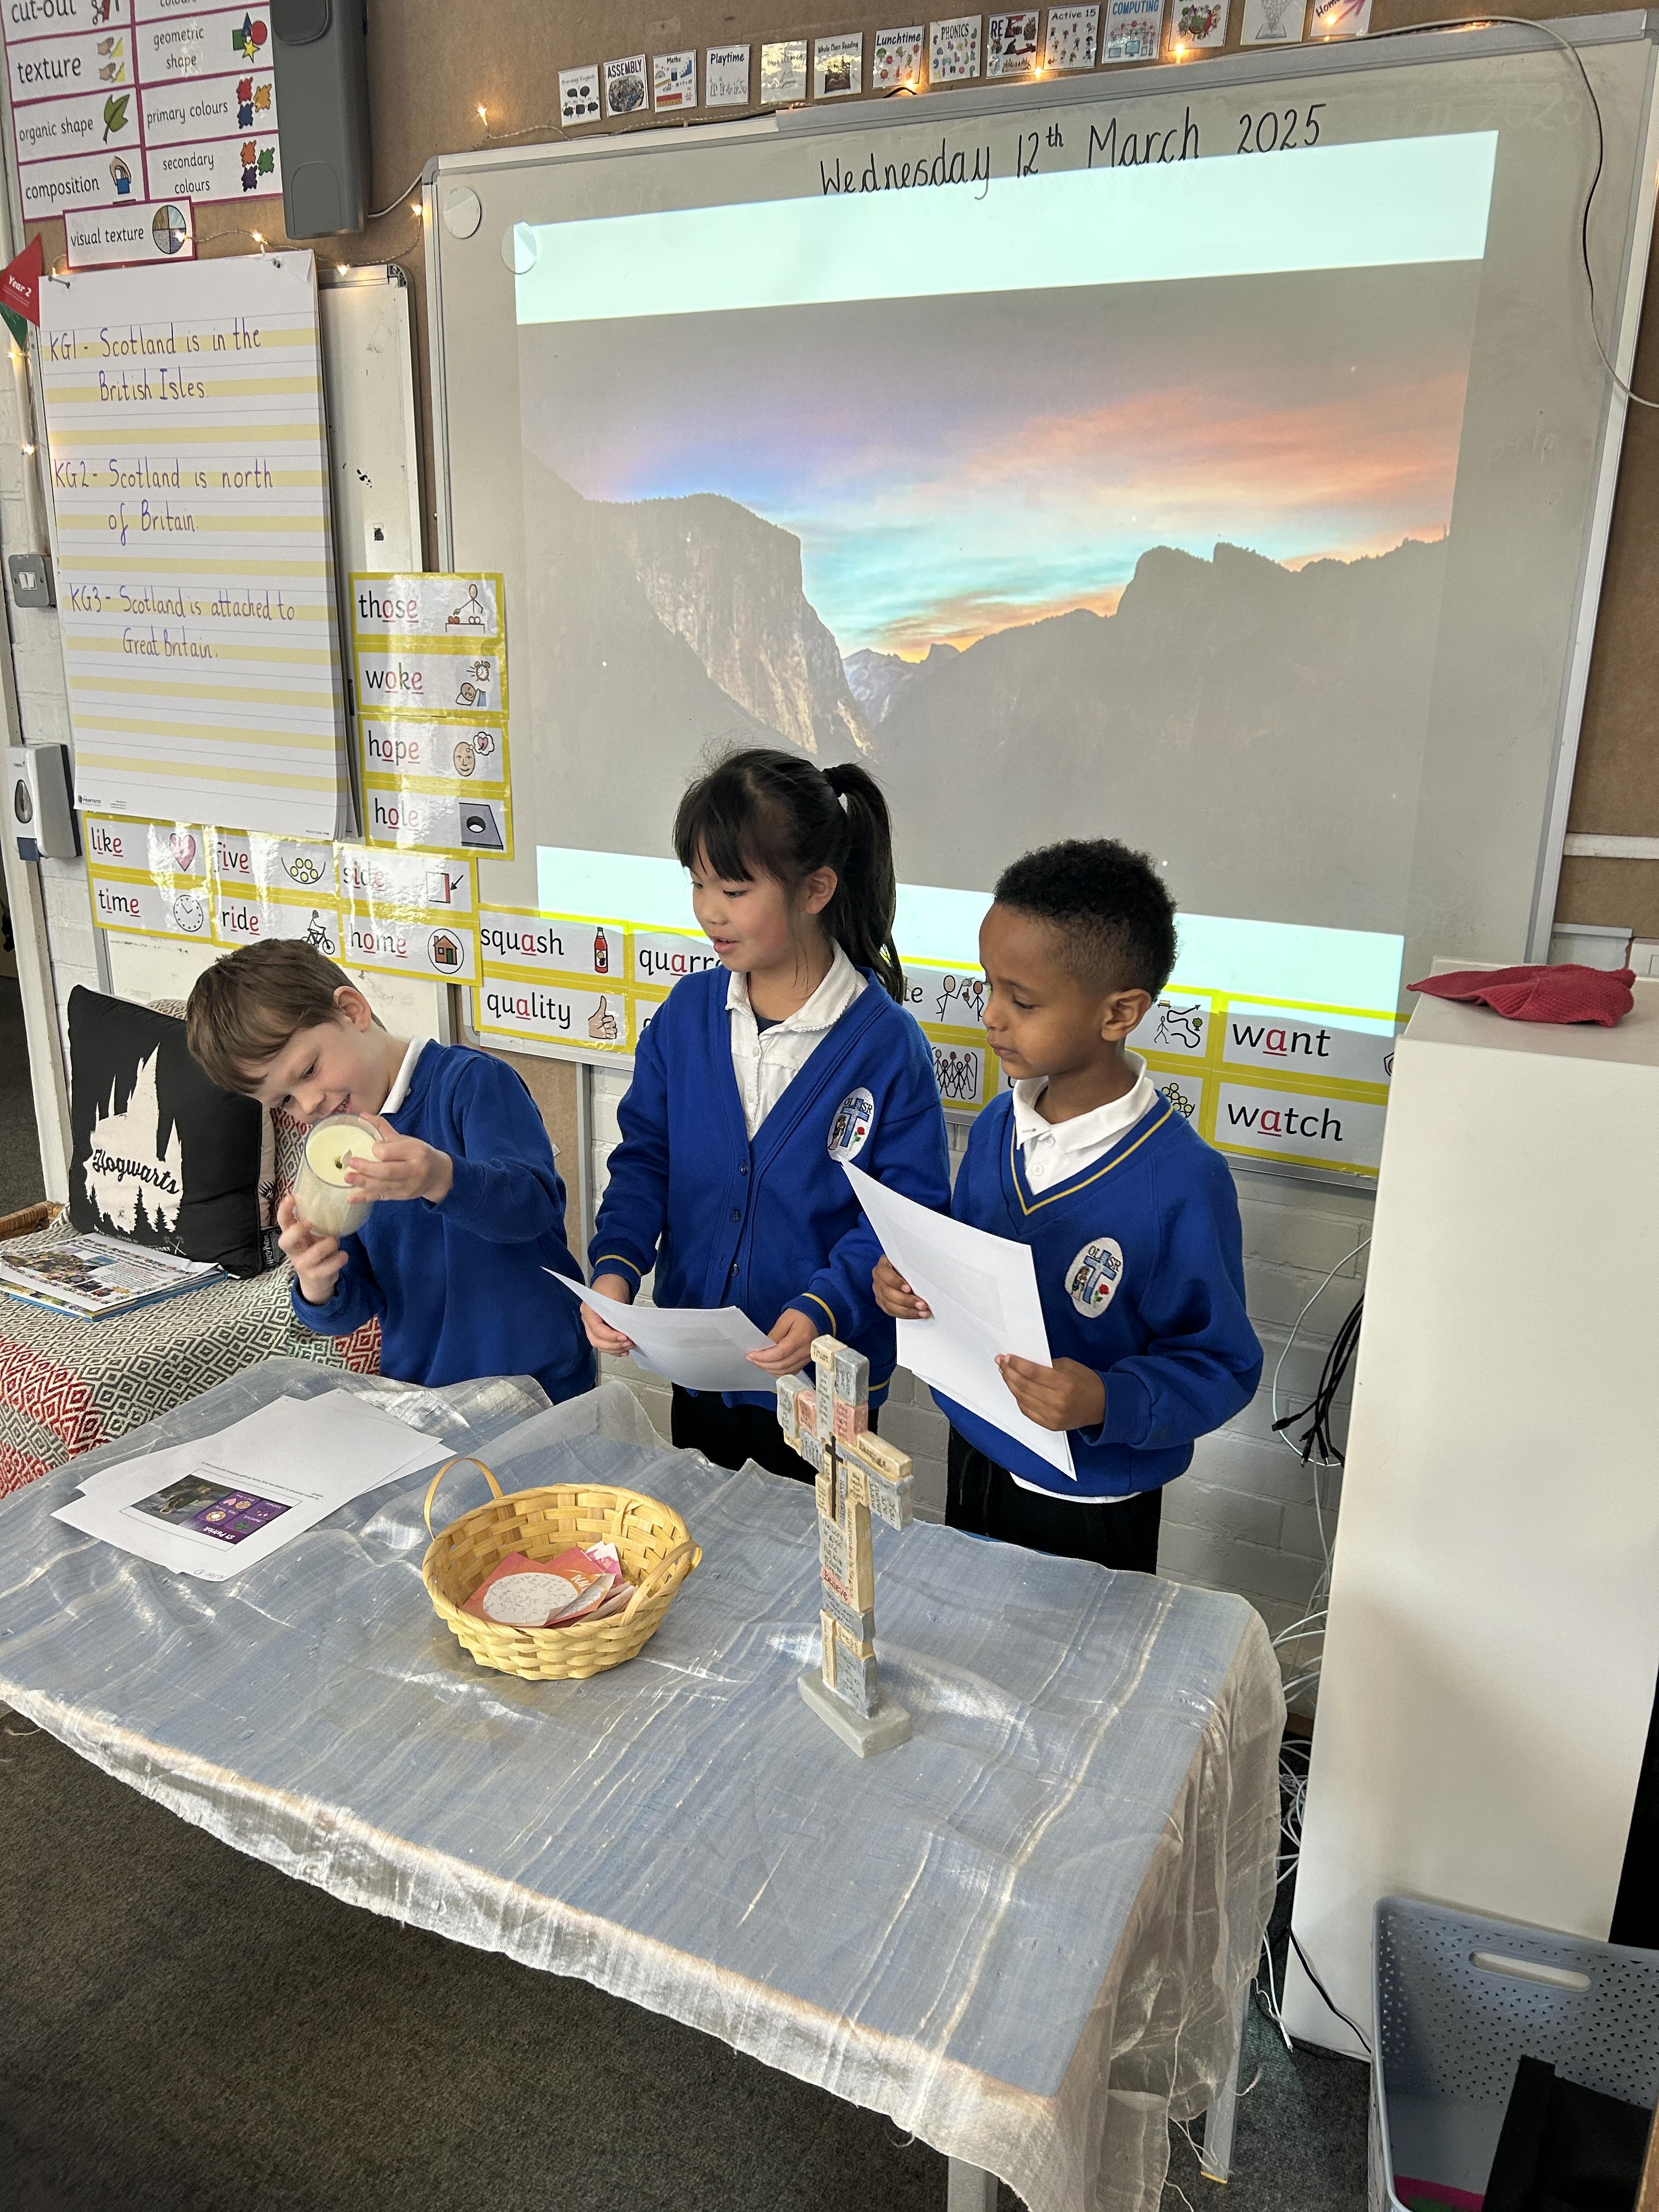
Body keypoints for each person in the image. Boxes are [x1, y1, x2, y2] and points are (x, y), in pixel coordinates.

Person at [874, 838, 1261, 1573]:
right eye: (988, 987)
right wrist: (910, 1281)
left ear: (1119, 1013)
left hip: (1090, 1500)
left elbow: (1221, 1364)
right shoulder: (999, 1124)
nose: (991, 1017)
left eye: (1022, 1001)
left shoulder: (1182, 1182)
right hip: (979, 1444)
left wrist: (1108, 1400)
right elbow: (969, 1264)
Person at [583, 746, 950, 1481]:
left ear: (815, 889)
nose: (708, 911)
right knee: (701, 1537)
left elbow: (903, 1216)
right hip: (701, 1368)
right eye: (697, 883)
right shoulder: (688, 1014)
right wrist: (616, 1269)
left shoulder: (886, 1046)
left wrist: (825, 1305)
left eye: (734, 888)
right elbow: (646, 1160)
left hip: (822, 1378)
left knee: (816, 1549)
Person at [185, 939, 594, 1405]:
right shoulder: (336, 1147)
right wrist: (318, 1284)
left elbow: (534, 1207)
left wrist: (440, 1179)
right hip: (424, 1394)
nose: (309, 1104)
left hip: (542, 1385)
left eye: (309, 1070)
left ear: (352, 1010)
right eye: (284, 1101)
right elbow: (357, 1306)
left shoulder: (471, 1082)